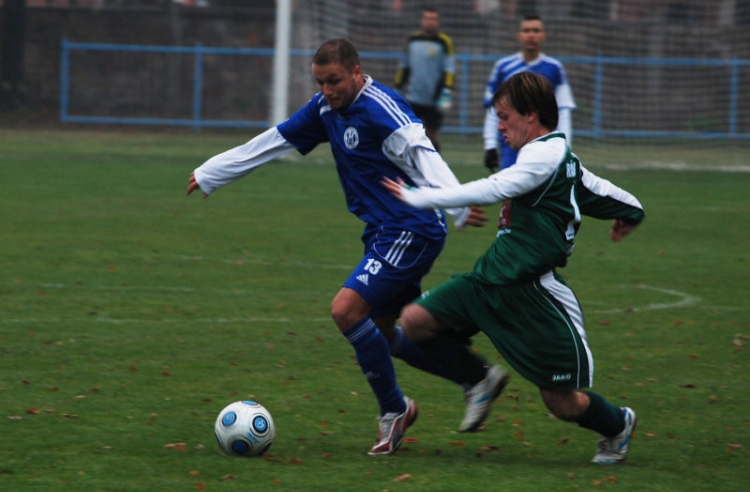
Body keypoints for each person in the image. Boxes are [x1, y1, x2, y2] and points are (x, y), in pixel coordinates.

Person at [186, 39, 496, 456]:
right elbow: (273, 141)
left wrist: (457, 202)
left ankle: (394, 411)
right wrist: (212, 172)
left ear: (355, 72)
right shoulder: (324, 110)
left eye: (334, 81)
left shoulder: (381, 108)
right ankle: (477, 377)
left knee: (346, 311)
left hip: (412, 225)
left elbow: (423, 153)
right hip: (385, 229)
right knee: (385, 335)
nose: (327, 90)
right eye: (320, 82)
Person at [383, 72, 644, 464]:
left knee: (562, 403)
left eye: (505, 117)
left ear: (532, 115)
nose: (500, 126)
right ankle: (479, 378)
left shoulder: (543, 155)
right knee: (416, 319)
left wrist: (421, 196)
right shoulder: (558, 157)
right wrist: (632, 212)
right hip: (489, 281)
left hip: (532, 294)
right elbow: (600, 190)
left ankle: (617, 424)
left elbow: (493, 188)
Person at [483, 13, 576, 172]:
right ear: (519, 36)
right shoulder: (503, 67)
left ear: (543, 36)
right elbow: (494, 110)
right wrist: (490, 144)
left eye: (535, 30)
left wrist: (565, 145)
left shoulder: (554, 69)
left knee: (542, 194)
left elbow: (563, 109)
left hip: (545, 146)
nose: (531, 35)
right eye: (526, 31)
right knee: (510, 194)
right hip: (511, 144)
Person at [394, 7, 455, 152]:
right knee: (409, 134)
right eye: (427, 18)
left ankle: (435, 169)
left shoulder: (444, 42)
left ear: (438, 22)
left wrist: (446, 90)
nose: (430, 22)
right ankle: (409, 169)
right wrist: (397, 86)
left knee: (432, 136)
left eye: (433, 19)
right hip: (413, 96)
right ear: (422, 21)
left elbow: (449, 69)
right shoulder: (412, 40)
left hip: (434, 98)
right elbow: (404, 66)